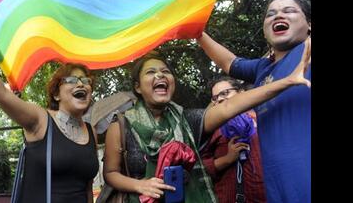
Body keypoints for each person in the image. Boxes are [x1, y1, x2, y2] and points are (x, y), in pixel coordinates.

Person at [197, 0, 311, 202]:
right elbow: (229, 62)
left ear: (309, 25)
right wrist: (194, 30)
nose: (278, 16)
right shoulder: (263, 69)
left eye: (290, 11)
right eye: (271, 13)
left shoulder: (309, 52)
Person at [102, 42, 309, 203]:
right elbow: (111, 173)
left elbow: (229, 106)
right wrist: (140, 186)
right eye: (151, 72)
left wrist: (288, 80)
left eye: (165, 71)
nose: (160, 75)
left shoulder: (187, 119)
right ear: (138, 87)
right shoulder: (121, 124)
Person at [0, 25, 99, 203]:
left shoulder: (91, 132)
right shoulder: (40, 119)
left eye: (86, 81)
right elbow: (0, 94)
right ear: (56, 94)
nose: (81, 84)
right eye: (72, 80)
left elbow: (87, 188)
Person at [201, 77, 266, 203]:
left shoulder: (263, 119)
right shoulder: (211, 128)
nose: (219, 99)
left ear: (241, 93)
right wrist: (227, 159)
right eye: (215, 98)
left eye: (225, 93)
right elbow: (198, 168)